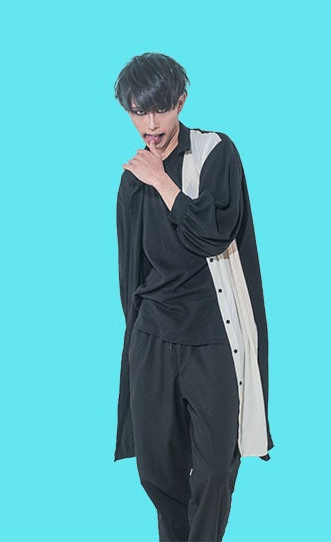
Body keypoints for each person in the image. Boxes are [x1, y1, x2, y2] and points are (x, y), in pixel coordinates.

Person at [113, 52, 274, 542]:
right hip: (153, 337)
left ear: (181, 102)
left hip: (212, 338)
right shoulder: (131, 178)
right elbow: (131, 269)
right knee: (155, 468)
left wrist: (163, 181)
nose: (151, 124)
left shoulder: (214, 151)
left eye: (161, 109)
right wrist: (136, 336)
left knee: (215, 468)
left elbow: (214, 233)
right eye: (139, 111)